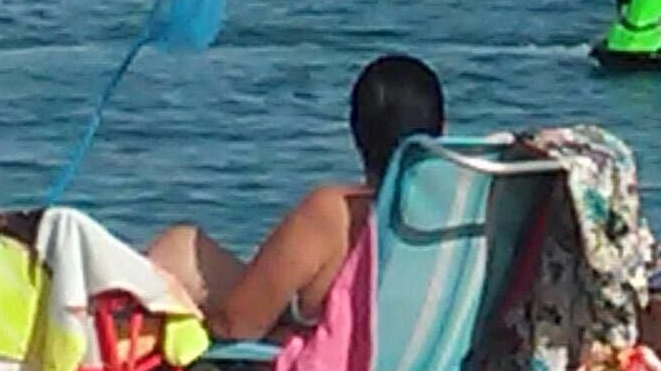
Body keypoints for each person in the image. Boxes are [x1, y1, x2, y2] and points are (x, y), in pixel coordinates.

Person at [146, 53, 446, 340]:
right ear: (440, 130)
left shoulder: (334, 215)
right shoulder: (466, 215)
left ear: (355, 132)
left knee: (179, 249)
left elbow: (235, 325)